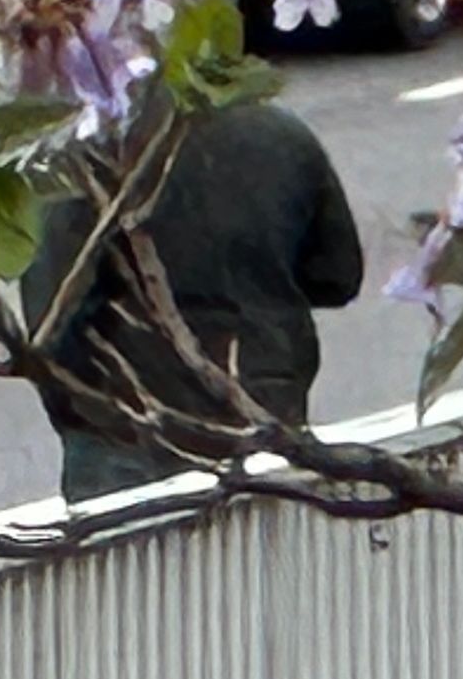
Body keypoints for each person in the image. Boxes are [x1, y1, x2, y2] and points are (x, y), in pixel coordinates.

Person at [19, 98, 363, 500]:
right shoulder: (279, 134)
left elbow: (49, 327)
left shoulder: (77, 156)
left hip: (128, 443)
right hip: (266, 422)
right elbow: (336, 277)